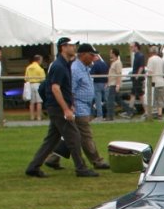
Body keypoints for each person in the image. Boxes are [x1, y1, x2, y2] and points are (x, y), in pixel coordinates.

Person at [24, 37, 98, 178]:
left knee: (51, 140)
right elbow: (55, 88)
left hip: (58, 106)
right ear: (63, 47)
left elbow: (66, 88)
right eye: (71, 45)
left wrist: (71, 104)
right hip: (58, 107)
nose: (74, 48)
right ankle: (81, 168)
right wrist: (65, 109)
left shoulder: (66, 64)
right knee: (74, 137)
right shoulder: (59, 66)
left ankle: (33, 167)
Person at [47, 43, 110, 171]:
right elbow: (70, 90)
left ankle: (53, 158)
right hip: (79, 107)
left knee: (70, 136)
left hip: (84, 106)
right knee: (85, 135)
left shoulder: (84, 68)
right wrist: (71, 107)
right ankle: (96, 160)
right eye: (91, 55)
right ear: (82, 55)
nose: (94, 57)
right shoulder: (75, 69)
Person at [107, 48, 133, 118]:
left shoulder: (118, 63)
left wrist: (118, 85)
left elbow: (119, 74)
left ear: (114, 54)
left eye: (111, 53)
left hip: (114, 84)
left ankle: (110, 116)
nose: (110, 54)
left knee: (110, 100)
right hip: (111, 83)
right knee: (118, 100)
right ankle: (129, 111)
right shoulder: (113, 62)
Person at [146, 46, 164, 118]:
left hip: (154, 82)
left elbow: (150, 72)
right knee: (160, 99)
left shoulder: (150, 59)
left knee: (151, 98)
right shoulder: (161, 60)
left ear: (151, 52)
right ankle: (159, 114)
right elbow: (163, 71)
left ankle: (150, 114)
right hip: (161, 81)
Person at [24, 54, 46, 121]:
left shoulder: (28, 67)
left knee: (32, 102)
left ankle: (32, 117)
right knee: (39, 101)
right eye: (41, 60)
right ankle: (39, 117)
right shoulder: (40, 68)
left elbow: (26, 78)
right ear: (38, 60)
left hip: (30, 85)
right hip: (38, 84)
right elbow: (43, 78)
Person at [90, 50, 109, 119]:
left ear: (95, 56)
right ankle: (108, 113)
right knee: (106, 100)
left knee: (98, 100)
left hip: (97, 83)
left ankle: (99, 115)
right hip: (105, 83)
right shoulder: (104, 64)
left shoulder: (95, 65)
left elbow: (91, 74)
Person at [130, 41, 145, 115]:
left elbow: (141, 67)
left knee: (140, 94)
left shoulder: (140, 55)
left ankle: (146, 111)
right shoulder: (136, 55)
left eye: (132, 47)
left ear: (136, 47)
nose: (131, 48)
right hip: (135, 77)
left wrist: (137, 76)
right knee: (133, 93)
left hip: (138, 78)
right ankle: (130, 110)